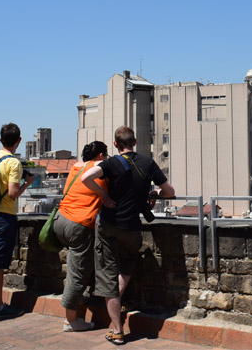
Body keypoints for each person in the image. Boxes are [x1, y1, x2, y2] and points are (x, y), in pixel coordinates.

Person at [81, 126, 175, 345]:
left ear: (115, 144)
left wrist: (103, 195)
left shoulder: (111, 163)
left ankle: (117, 329)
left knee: (107, 275)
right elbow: (169, 192)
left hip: (109, 224)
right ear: (135, 142)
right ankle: (118, 300)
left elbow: (86, 177)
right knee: (128, 266)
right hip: (132, 226)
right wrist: (154, 193)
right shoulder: (147, 163)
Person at [0, 123, 35, 319]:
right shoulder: (13, 163)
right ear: (19, 141)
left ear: (0, 139)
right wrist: (26, 183)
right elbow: (12, 193)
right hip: (3, 216)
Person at [53, 140, 108, 333]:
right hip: (79, 223)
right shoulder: (100, 169)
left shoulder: (76, 166)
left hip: (61, 220)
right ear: (101, 155)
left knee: (78, 267)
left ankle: (78, 304)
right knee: (77, 274)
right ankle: (71, 320)